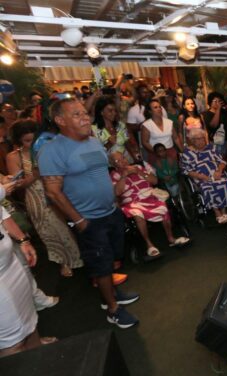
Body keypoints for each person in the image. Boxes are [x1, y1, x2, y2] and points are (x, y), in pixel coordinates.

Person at [38, 98, 140, 329]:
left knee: (113, 257)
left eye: (85, 112)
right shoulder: (52, 150)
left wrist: (117, 165)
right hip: (88, 219)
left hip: (111, 211)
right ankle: (112, 309)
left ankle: (111, 294)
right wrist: (80, 221)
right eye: (77, 114)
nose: (85, 117)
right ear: (60, 120)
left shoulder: (93, 141)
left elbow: (101, 172)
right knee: (101, 265)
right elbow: (53, 193)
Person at [7, 120, 83, 277]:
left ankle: (82, 255)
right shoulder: (14, 157)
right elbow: (18, 184)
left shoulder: (48, 147)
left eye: (33, 139)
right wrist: (36, 172)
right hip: (36, 196)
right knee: (50, 230)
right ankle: (64, 261)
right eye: (27, 141)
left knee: (73, 224)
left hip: (60, 190)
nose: (31, 144)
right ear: (18, 141)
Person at [0, 180, 57, 358]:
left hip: (10, 265)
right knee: (11, 337)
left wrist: (22, 239)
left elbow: (3, 214)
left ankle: (36, 347)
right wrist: (2, 190)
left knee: (29, 315)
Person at [110, 152, 189, 257]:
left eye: (123, 158)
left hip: (149, 197)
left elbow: (155, 181)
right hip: (131, 202)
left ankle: (171, 238)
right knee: (137, 214)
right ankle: (149, 245)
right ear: (113, 164)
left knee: (162, 206)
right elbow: (117, 192)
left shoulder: (138, 167)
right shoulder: (113, 175)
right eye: (117, 161)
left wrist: (140, 172)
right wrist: (123, 176)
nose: (122, 161)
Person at [180, 129, 227, 224]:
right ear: (192, 140)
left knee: (225, 183)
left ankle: (224, 212)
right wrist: (202, 176)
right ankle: (217, 212)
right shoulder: (187, 154)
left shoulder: (211, 148)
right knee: (208, 187)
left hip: (217, 175)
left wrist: (219, 170)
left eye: (203, 139)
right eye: (199, 139)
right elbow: (186, 170)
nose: (202, 141)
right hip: (201, 177)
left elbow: (222, 161)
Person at [92, 96, 138, 161]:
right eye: (110, 111)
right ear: (101, 112)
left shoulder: (120, 125)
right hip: (109, 165)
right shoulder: (94, 130)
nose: (114, 113)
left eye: (115, 110)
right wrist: (108, 144)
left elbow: (127, 144)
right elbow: (96, 153)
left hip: (126, 161)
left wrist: (135, 158)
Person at [141, 99, 182, 164]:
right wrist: (158, 152)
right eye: (155, 107)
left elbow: (176, 138)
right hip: (156, 154)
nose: (159, 109)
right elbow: (145, 142)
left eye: (160, 107)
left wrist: (182, 150)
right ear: (150, 111)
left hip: (170, 152)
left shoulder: (169, 122)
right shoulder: (146, 125)